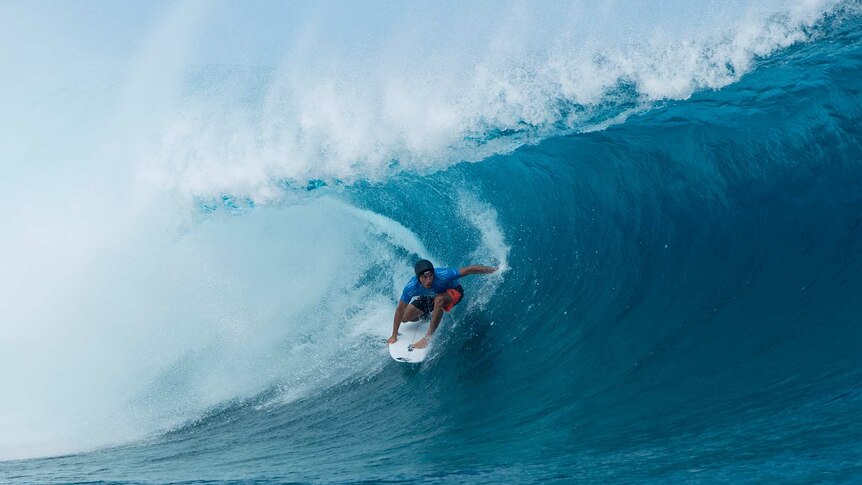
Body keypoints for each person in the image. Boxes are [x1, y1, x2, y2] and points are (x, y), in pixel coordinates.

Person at [388, 259, 497, 349]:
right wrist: (394, 335)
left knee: (439, 299)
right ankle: (426, 315)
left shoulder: (443, 275)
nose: (428, 280)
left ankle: (428, 338)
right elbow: (400, 309)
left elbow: (469, 270)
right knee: (404, 317)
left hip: (454, 292)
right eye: (424, 277)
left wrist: (494, 270)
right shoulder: (411, 287)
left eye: (430, 276)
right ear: (418, 278)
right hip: (430, 296)